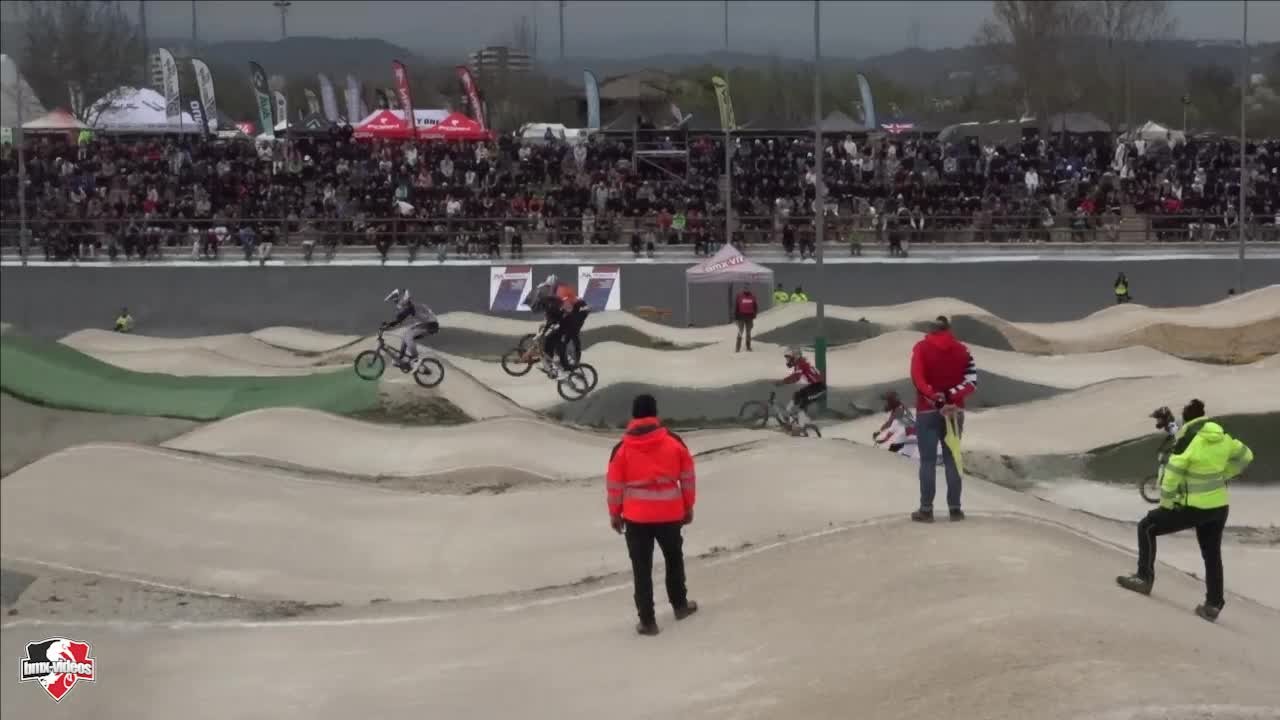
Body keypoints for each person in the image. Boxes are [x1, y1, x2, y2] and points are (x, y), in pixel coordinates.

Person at [1117, 399, 1251, 622]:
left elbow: (1171, 476)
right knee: (1212, 555)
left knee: (1147, 526)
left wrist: (1166, 505)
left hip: (1194, 507)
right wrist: (1226, 473)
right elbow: (1246, 455)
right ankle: (1213, 605)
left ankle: (1143, 579)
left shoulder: (1188, 439)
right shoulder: (1222, 436)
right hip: (1219, 507)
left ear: (1187, 419)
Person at [606, 394, 698, 636]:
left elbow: (614, 486)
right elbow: (687, 477)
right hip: (670, 514)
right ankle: (680, 606)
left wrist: (615, 514)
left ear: (633, 415)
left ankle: (648, 622)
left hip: (636, 518)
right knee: (673, 560)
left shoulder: (621, 449)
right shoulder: (674, 442)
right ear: (656, 413)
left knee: (641, 568)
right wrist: (688, 506)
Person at [909, 316, 978, 522]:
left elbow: (917, 379)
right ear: (949, 329)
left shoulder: (921, 348)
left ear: (931, 329)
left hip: (927, 411)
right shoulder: (963, 351)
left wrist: (936, 398)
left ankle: (926, 510)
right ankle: (955, 509)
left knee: (928, 461)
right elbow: (972, 382)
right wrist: (950, 396)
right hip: (955, 412)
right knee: (952, 459)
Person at [381, 289, 439, 370]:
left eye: (398, 302)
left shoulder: (410, 308)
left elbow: (399, 319)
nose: (399, 305)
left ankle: (415, 359)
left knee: (409, 336)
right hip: (428, 324)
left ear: (405, 301)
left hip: (430, 325)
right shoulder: (412, 306)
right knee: (406, 334)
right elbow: (401, 316)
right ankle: (401, 357)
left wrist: (388, 325)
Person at [775, 347, 826, 432]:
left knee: (803, 404)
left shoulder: (801, 364)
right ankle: (788, 416)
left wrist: (782, 382)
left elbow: (795, 377)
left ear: (795, 357)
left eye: (789, 358)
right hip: (814, 386)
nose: (787, 361)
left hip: (819, 388)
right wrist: (784, 381)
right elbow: (796, 377)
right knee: (797, 395)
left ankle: (800, 427)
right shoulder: (800, 363)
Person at [872, 390, 918, 459]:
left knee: (893, 452)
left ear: (892, 401)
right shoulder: (900, 407)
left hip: (910, 435)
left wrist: (880, 433)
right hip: (911, 435)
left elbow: (889, 424)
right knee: (895, 450)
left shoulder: (898, 410)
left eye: (888, 401)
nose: (886, 404)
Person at [733, 287, 759, 353]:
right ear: (743, 289)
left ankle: (748, 346)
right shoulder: (739, 296)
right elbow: (736, 307)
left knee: (748, 332)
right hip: (741, 317)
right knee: (740, 332)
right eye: (745, 288)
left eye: (747, 288)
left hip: (749, 317)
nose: (746, 289)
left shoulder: (752, 296)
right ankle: (737, 348)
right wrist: (736, 318)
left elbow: (755, 306)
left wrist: (754, 314)